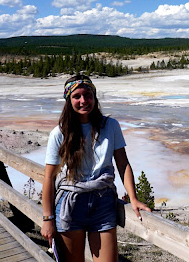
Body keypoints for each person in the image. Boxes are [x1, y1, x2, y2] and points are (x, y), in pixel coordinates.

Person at [41, 74, 152, 262]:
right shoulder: (60, 133)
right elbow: (49, 177)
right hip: (71, 203)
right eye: (77, 96)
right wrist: (47, 219)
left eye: (88, 95)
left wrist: (133, 198)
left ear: (95, 97)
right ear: (69, 100)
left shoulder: (110, 126)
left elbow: (123, 163)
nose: (84, 100)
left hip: (103, 202)